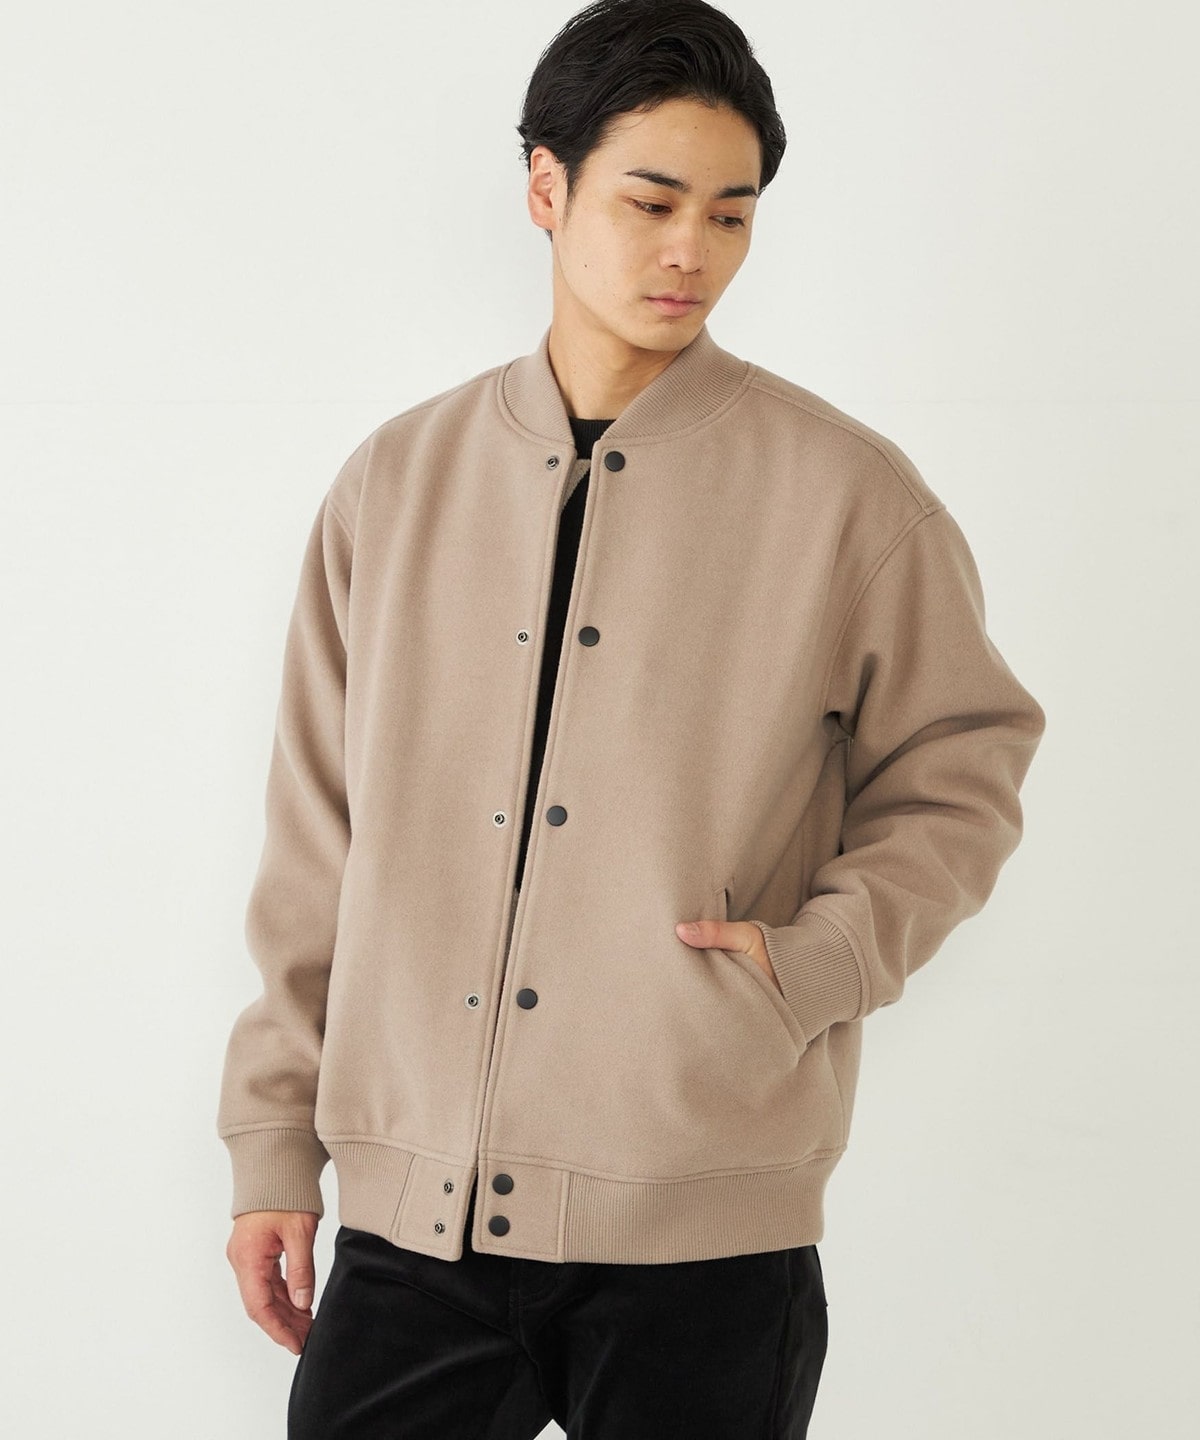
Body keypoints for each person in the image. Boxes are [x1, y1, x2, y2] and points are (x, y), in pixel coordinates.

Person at [217, 2, 1047, 1435]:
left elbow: (964, 766)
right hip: (415, 1230)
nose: (691, 252)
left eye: (731, 215)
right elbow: (315, 842)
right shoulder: (395, 486)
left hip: (703, 1232)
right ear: (546, 188)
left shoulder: (849, 498)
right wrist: (273, 1139)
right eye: (651, 203)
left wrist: (820, 959)